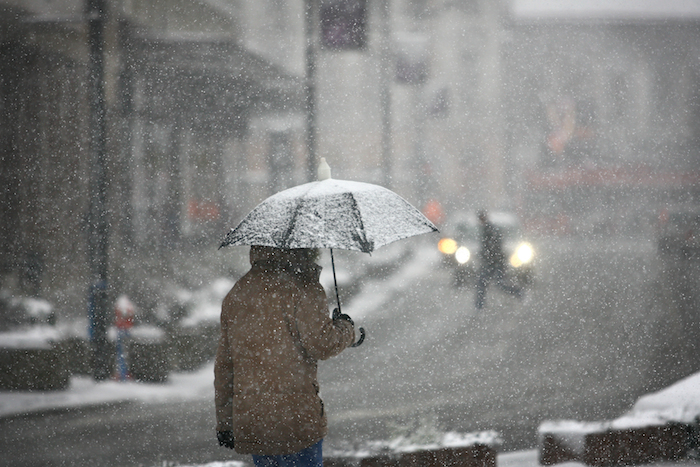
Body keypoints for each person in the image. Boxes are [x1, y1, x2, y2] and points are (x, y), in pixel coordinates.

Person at [214, 245, 355, 467]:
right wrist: (345, 327)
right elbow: (323, 344)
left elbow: (225, 366)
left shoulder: (239, 292)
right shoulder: (304, 288)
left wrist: (225, 422)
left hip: (255, 421)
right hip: (296, 420)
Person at [475, 210, 522, 310]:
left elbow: (494, 247)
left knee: (496, 284)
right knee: (485, 283)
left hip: (495, 262)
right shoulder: (487, 229)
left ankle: (518, 292)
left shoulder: (490, 229)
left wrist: (489, 256)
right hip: (493, 262)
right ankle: (479, 305)